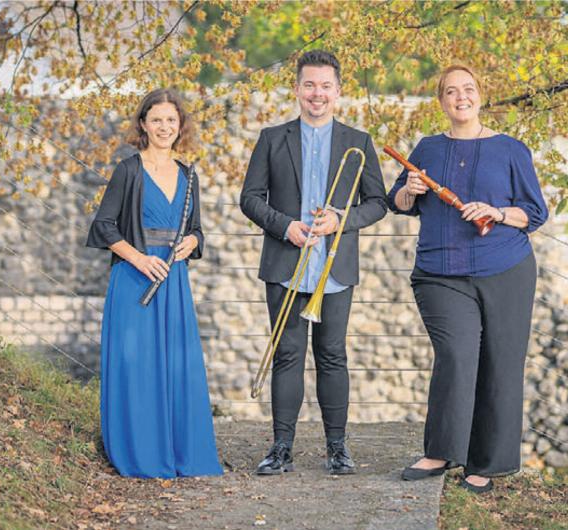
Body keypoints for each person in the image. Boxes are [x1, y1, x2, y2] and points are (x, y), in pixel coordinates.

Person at [387, 65, 548, 493]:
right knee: (457, 356)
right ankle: (441, 452)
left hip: (507, 270)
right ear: (441, 101)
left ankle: (485, 465)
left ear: (481, 95)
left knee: (500, 364)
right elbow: (399, 201)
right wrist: (411, 190)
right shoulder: (427, 148)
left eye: (469, 89)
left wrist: (496, 213)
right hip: (440, 274)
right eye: (451, 92)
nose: (461, 97)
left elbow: (534, 213)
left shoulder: (512, 150)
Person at [240, 50, 387, 475]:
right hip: (287, 260)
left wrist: (342, 219)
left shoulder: (358, 143)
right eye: (309, 85)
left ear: (338, 92)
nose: (317, 94)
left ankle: (337, 449)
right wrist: (285, 226)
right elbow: (249, 198)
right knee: (287, 355)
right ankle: (281, 448)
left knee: (332, 356)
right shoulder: (272, 138)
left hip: (334, 268)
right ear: (297, 90)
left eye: (325, 86)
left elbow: (378, 203)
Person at [86, 88, 222, 478]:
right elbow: (104, 226)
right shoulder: (128, 169)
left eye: (171, 120)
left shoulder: (188, 174)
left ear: (181, 127)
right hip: (135, 279)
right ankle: (143, 452)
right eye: (157, 119)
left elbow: (196, 229)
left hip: (174, 281)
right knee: (138, 366)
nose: (165, 127)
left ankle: (181, 452)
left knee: (176, 366)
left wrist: (194, 241)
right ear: (143, 124)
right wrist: (141, 259)